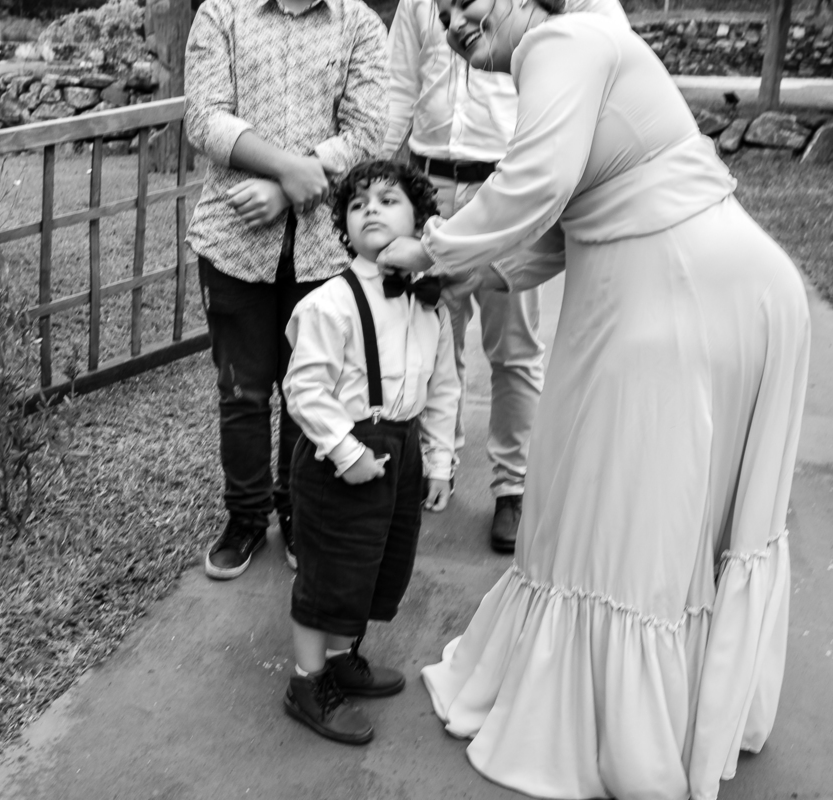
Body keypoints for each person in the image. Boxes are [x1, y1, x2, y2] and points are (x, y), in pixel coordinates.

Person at [377, 1, 811, 797]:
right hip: (692, 292)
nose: (454, 21)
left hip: (686, 296)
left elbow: (536, 185)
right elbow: (565, 220)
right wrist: (474, 273)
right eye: (440, 13)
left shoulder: (564, 39)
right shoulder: (577, 46)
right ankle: (660, 712)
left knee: (628, 512)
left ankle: (628, 729)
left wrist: (430, 248)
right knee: (632, 509)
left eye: (466, 2)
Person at [383, 0, 627, 553]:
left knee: (513, 349)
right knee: (431, 339)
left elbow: (602, 33)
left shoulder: (529, 14)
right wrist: (374, 174)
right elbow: (399, 86)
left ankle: (512, 485)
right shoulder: (419, 5)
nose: (455, 22)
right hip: (430, 182)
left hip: (508, 183)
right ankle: (435, 462)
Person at [183, 0, 389, 580]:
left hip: (325, 246)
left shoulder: (358, 22)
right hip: (234, 238)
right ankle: (246, 517)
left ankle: (299, 509)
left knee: (311, 387)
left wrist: (287, 189)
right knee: (242, 391)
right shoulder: (221, 13)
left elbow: (368, 129)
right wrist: (288, 170)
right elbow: (205, 119)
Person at [281, 160, 461, 744]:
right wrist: (346, 450)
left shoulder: (430, 304)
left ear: (422, 220)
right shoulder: (330, 303)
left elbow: (443, 388)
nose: (371, 210)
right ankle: (307, 682)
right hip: (342, 453)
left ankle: (340, 659)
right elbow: (303, 389)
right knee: (330, 571)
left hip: (401, 447)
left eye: (387, 200)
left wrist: (438, 462)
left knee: (376, 564)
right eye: (358, 205)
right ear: (345, 228)